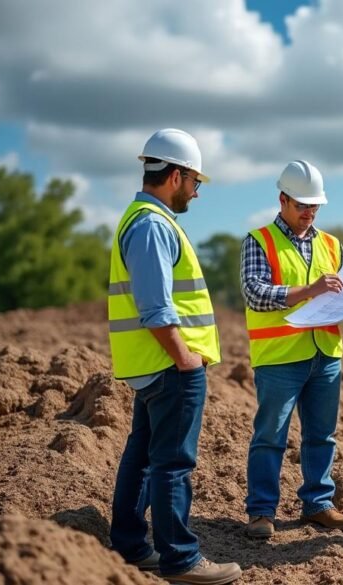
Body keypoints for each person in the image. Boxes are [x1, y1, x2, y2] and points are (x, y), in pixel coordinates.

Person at [107, 128, 242, 584]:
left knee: (144, 456)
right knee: (172, 463)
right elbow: (156, 307)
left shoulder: (143, 219)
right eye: (196, 182)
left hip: (152, 366)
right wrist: (185, 358)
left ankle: (129, 545)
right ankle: (180, 559)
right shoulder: (151, 225)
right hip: (169, 366)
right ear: (178, 175)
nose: (198, 192)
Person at [242, 160, 343, 539]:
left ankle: (318, 503)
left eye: (315, 207)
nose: (309, 213)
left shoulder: (331, 244)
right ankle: (261, 511)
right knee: (270, 436)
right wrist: (310, 290)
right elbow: (255, 292)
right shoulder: (258, 240)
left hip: (325, 355)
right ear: (282, 199)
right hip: (279, 358)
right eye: (302, 206)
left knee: (321, 435)